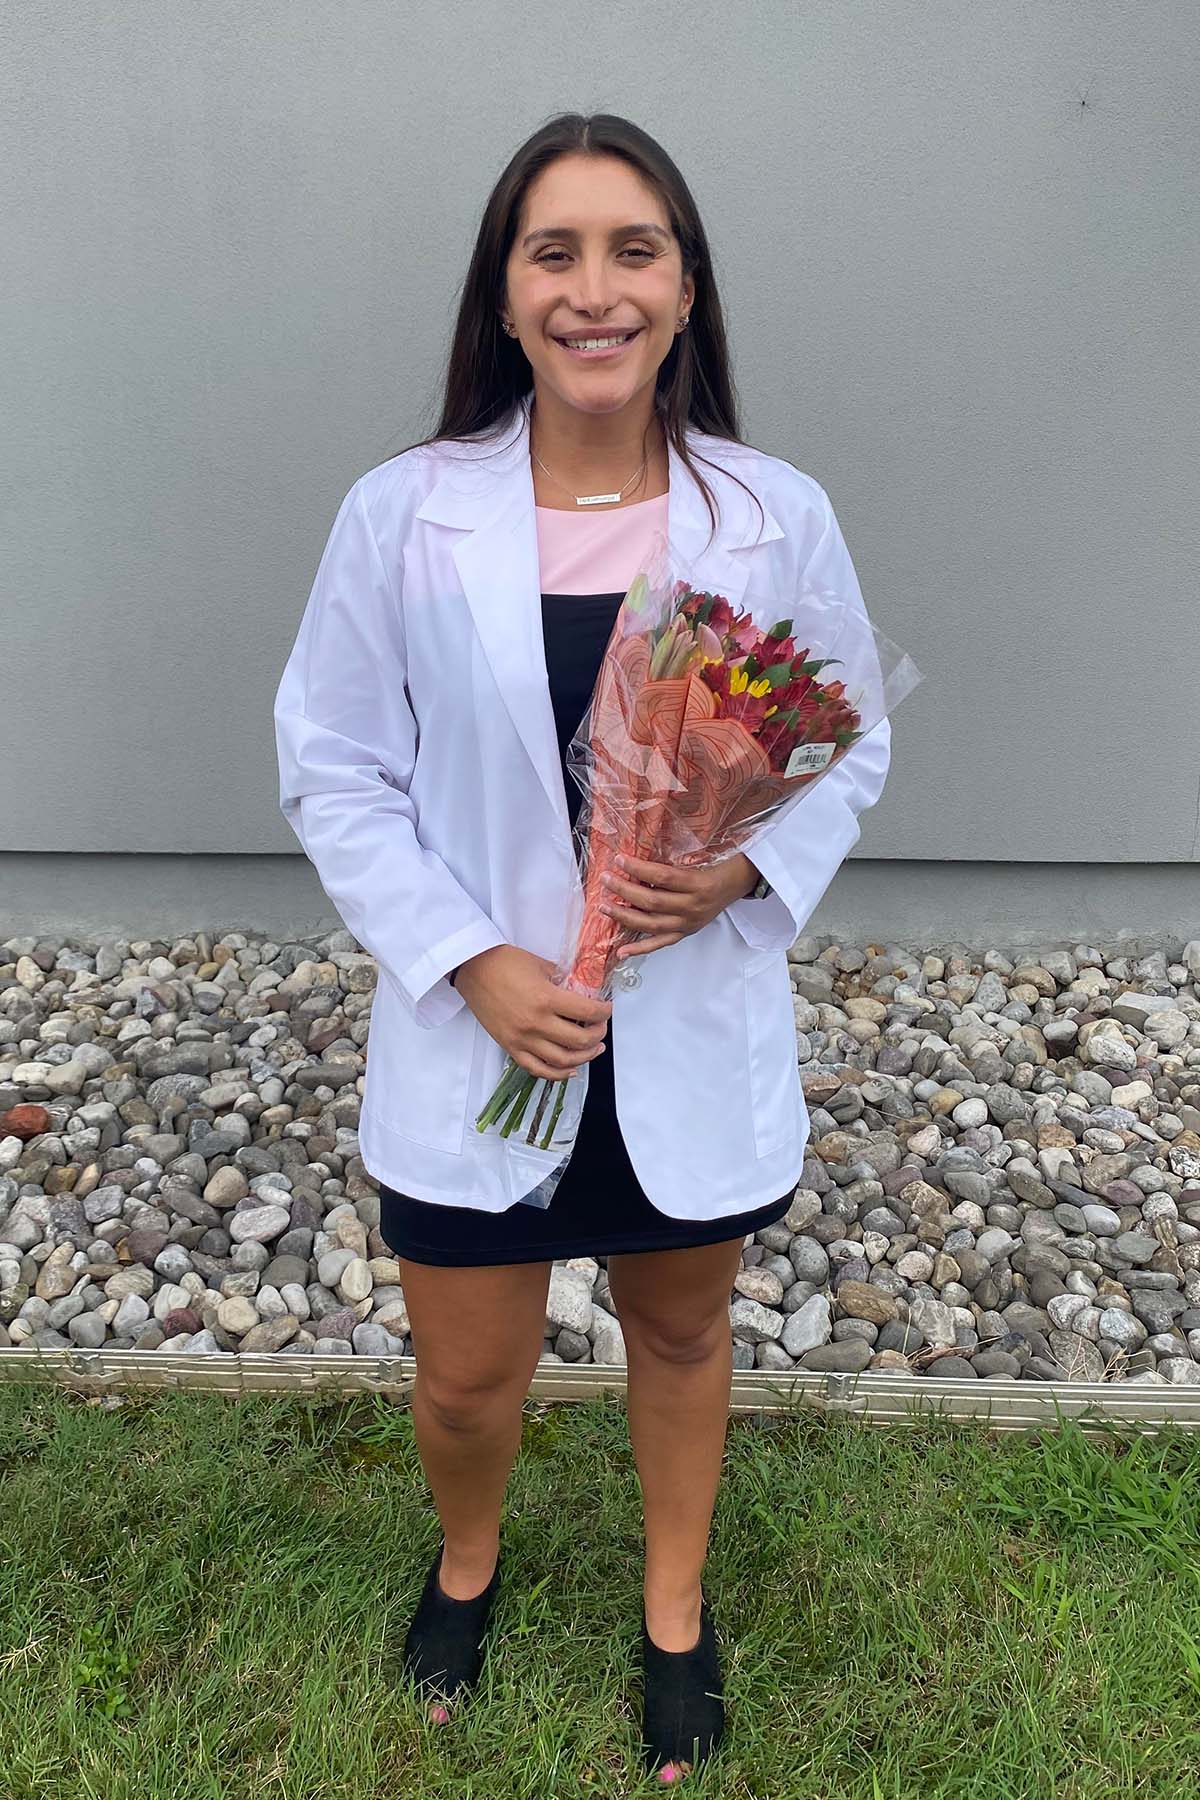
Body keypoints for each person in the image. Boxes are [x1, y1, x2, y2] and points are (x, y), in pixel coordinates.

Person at [274, 110, 892, 1781]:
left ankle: (674, 1610)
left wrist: (744, 881)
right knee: (469, 1382)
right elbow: (333, 763)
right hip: (491, 1025)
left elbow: (848, 744)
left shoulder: (772, 513)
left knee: (683, 1334)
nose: (595, 289)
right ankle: (467, 1561)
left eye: (635, 250)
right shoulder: (402, 515)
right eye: (555, 252)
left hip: (681, 1017)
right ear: (503, 296)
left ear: (687, 290)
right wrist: (470, 961)